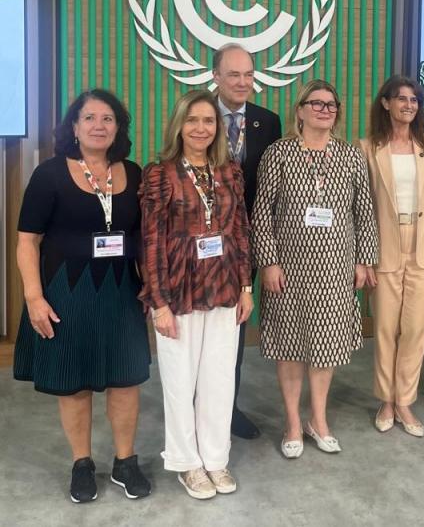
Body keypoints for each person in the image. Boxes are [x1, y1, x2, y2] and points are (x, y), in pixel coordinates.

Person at [13, 89, 151, 502]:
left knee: (126, 380)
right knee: (75, 383)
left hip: (121, 292)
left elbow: (144, 237)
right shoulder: (50, 173)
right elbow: (27, 242)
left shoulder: (134, 172)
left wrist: (150, 286)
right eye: (89, 118)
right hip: (65, 292)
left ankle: (125, 462)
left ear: (118, 127)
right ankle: (82, 463)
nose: (98, 125)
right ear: (73, 126)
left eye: (107, 118)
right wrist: (34, 299)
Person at [251, 80, 377, 458]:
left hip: (336, 268)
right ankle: (292, 421)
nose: (325, 109)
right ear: (300, 110)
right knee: (291, 345)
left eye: (332, 104)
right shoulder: (279, 153)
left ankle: (318, 420)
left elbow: (364, 211)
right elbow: (262, 212)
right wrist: (268, 261)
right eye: (316, 103)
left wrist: (363, 259)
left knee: (326, 346)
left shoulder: (350, 156)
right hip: (288, 269)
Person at [140, 89, 253, 498]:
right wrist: (159, 303)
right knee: (180, 380)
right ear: (179, 125)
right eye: (193, 120)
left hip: (225, 287)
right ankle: (188, 463)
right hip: (179, 291)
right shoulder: (160, 173)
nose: (201, 128)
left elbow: (240, 231)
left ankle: (216, 459)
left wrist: (246, 286)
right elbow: (150, 242)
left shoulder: (230, 172)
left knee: (220, 379)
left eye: (209, 121)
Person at [360, 75, 424, 437]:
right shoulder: (367, 147)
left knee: (415, 330)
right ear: (386, 103)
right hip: (383, 246)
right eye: (401, 99)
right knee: (385, 328)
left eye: (414, 100)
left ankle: (405, 402)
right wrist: (364, 258)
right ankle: (385, 399)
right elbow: (361, 207)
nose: (408, 106)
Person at [212, 43, 282, 440]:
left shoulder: (266, 121)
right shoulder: (197, 115)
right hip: (203, 242)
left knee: (236, 324)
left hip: (248, 242)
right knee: (202, 323)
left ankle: (228, 406)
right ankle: (196, 406)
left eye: (248, 75)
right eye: (233, 74)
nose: (242, 82)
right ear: (216, 77)